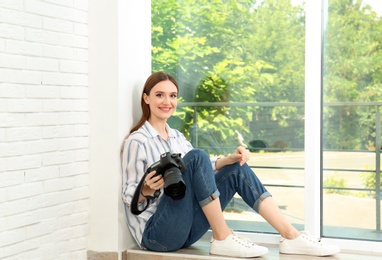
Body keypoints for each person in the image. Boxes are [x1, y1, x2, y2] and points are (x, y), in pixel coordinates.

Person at [121, 71, 340, 258]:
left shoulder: (177, 137)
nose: (167, 102)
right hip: (158, 235)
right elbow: (128, 195)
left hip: (186, 230)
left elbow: (202, 168)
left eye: (172, 96)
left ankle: (291, 236)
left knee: (237, 168)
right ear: (146, 98)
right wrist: (147, 189)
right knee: (197, 155)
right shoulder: (137, 141)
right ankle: (222, 236)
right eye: (159, 95)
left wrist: (229, 160)